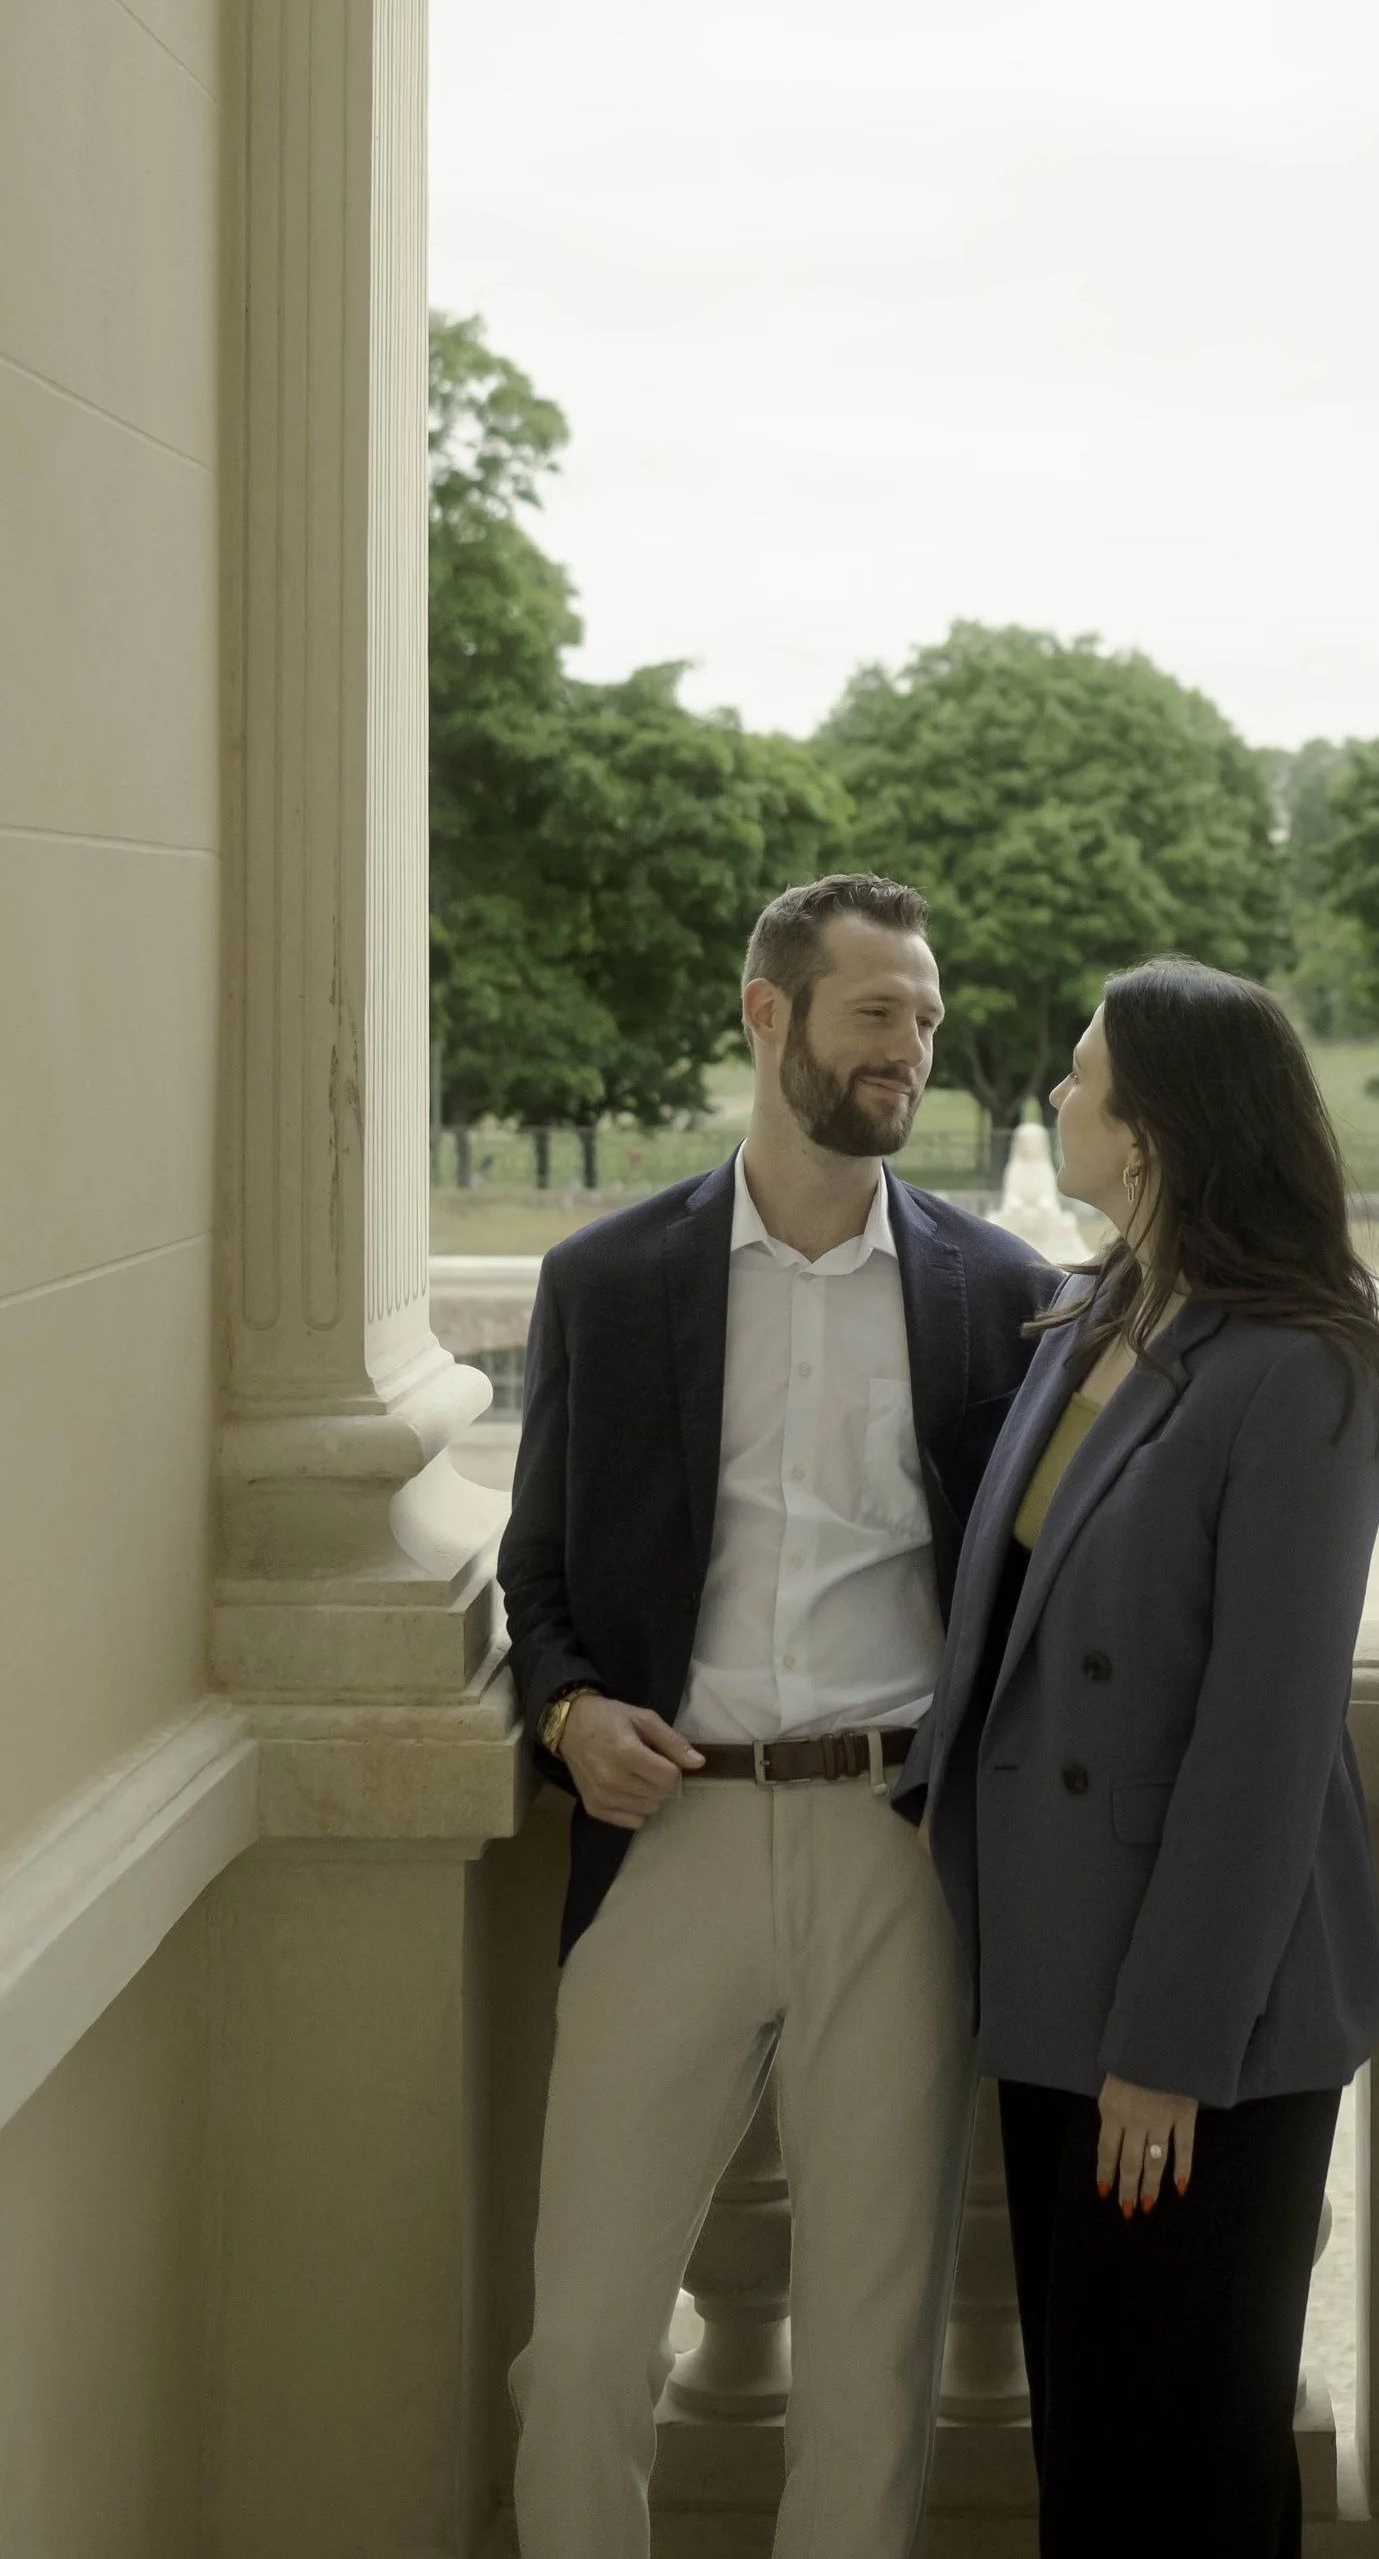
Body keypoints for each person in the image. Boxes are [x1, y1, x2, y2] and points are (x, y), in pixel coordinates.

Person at [499, 873, 1057, 2559]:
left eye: (928, 1018)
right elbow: (533, 1576)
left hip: (897, 1850)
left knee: (872, 2369)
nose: (912, 1048)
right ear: (770, 1016)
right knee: (585, 2346)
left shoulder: (998, 1285)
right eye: (877, 1010)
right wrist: (569, 1709)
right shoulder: (605, 1280)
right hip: (666, 1840)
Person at [910, 959, 1379, 2559]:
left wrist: (1172, 2043)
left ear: (1161, 1130)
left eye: (1083, 1078)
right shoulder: (1098, 1313)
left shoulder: (1301, 1368)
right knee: (1102, 2456)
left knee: (1177, 2464)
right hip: (1059, 1977)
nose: (1058, 1098)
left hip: (1204, 2024)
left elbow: (1264, 1735)